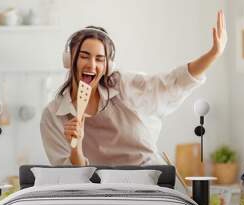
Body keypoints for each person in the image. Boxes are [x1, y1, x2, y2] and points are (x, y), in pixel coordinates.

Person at [40, 11, 227, 166]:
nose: (92, 65)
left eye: (99, 59)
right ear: (69, 59)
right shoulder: (53, 115)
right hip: (96, 194)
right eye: (84, 56)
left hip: (150, 182)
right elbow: (70, 180)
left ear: (108, 66)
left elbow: (171, 83)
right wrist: (76, 148)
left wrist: (213, 54)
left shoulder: (124, 86)